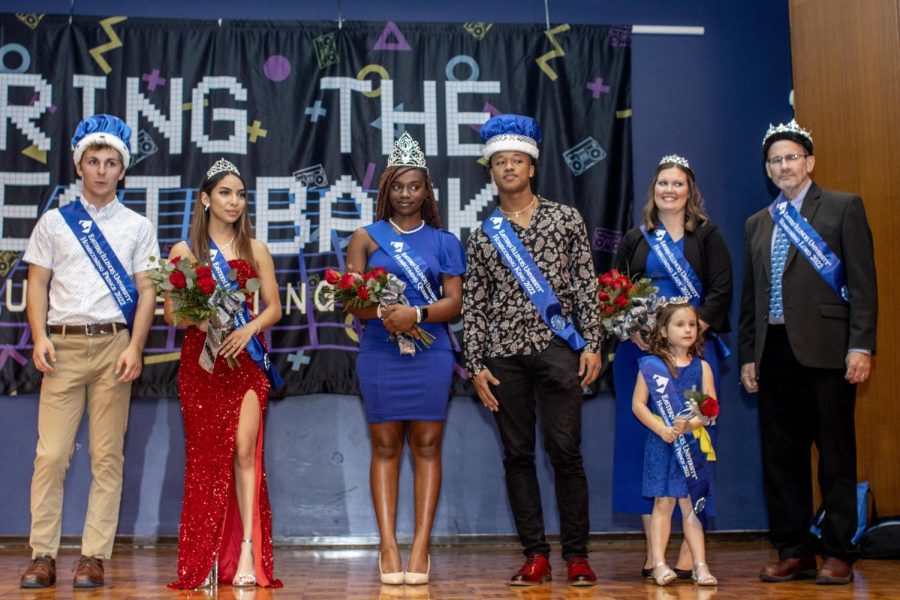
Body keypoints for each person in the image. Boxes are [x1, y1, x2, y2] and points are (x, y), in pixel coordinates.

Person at [20, 114, 159, 588]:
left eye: (111, 162)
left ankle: (93, 556)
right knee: (52, 455)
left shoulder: (138, 226)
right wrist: (39, 335)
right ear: (80, 166)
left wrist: (136, 347)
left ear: (123, 170)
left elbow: (147, 292)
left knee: (106, 457)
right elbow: (36, 283)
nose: (101, 170)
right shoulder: (55, 222)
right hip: (61, 347)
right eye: (93, 161)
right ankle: (43, 555)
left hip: (113, 347)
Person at [463, 114, 602, 586]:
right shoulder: (483, 235)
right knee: (517, 455)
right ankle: (535, 555)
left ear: (532, 166)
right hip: (503, 358)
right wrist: (475, 365)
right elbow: (475, 304)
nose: (508, 168)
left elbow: (586, 286)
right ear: (490, 171)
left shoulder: (565, 219)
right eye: (499, 162)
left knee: (566, 452)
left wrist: (593, 344)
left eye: (516, 160)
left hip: (559, 349)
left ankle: (578, 556)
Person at [739, 119, 877, 585]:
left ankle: (839, 551)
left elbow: (862, 284)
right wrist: (747, 356)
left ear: (809, 161)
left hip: (829, 353)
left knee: (836, 456)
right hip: (773, 353)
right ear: (767, 168)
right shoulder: (759, 223)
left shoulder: (842, 207)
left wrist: (861, 345)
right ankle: (794, 550)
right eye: (775, 159)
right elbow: (751, 298)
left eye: (791, 157)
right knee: (781, 461)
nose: (784, 165)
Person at [345, 133, 465, 585]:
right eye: (398, 186)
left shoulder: (445, 241)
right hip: (380, 350)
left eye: (414, 186)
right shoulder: (365, 237)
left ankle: (420, 546)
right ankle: (388, 545)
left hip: (431, 352)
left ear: (426, 190)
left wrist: (415, 313)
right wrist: (382, 313)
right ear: (386, 189)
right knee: (385, 446)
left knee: (428, 445)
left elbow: (454, 302)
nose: (406, 194)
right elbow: (350, 301)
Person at [610, 155, 732, 579]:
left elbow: (720, 291)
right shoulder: (635, 237)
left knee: (693, 442)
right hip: (641, 354)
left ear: (689, 191)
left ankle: (689, 549)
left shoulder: (708, 236)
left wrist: (693, 331)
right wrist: (633, 331)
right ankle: (654, 551)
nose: (669, 190)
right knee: (645, 448)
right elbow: (617, 292)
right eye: (663, 182)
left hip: (692, 352)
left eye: (677, 183)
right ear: (654, 189)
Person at [166, 159, 283, 589]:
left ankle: (247, 551)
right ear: (205, 199)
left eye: (240, 194)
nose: (234, 201)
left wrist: (250, 327)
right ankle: (207, 556)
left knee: (245, 449)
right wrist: (207, 322)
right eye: (225, 193)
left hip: (246, 361)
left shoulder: (257, 249)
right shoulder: (184, 252)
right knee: (204, 460)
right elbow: (173, 312)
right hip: (203, 363)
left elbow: (274, 307)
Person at [631, 302, 718, 587]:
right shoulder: (651, 366)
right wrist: (662, 428)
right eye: (680, 325)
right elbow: (638, 405)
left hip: (690, 447)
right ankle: (658, 563)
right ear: (664, 330)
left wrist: (690, 425)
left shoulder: (702, 367)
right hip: (661, 445)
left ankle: (700, 564)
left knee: (691, 506)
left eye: (692, 324)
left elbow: (710, 408)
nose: (688, 330)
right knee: (663, 503)